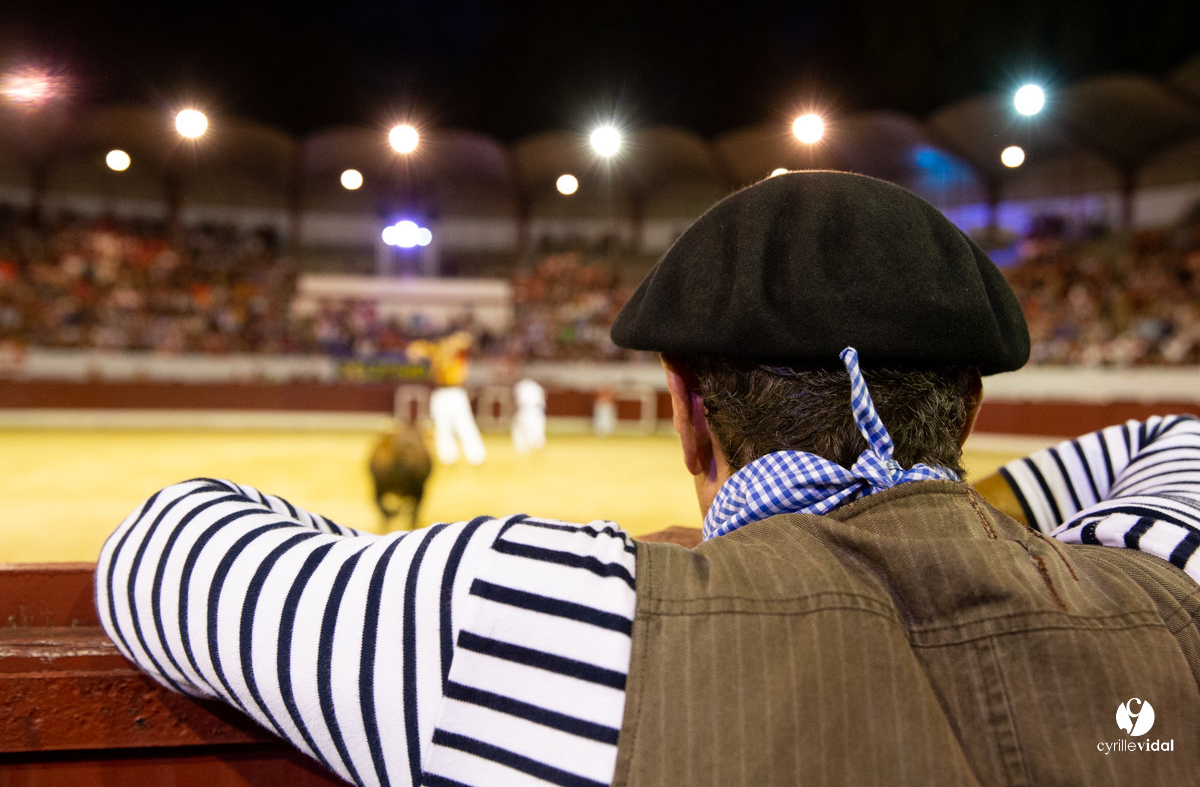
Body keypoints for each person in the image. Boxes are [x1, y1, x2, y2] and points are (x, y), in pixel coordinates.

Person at [96, 172, 1200, 786]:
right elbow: (1174, 438)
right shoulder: (1171, 601)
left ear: (683, 407)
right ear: (970, 405)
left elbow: (159, 545)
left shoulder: (546, 621)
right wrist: (950, 509)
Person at [406, 329, 487, 466]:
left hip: (456, 391)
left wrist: (446, 346)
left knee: (464, 424)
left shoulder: (456, 349)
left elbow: (466, 340)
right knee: (442, 426)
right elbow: (415, 348)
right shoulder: (436, 350)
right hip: (441, 391)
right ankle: (448, 457)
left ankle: (476, 457)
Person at [511, 376, 547, 454]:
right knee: (536, 430)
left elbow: (516, 399)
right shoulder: (537, 387)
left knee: (522, 430)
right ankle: (536, 447)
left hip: (525, 410)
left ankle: (524, 448)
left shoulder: (520, 385)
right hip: (536, 411)